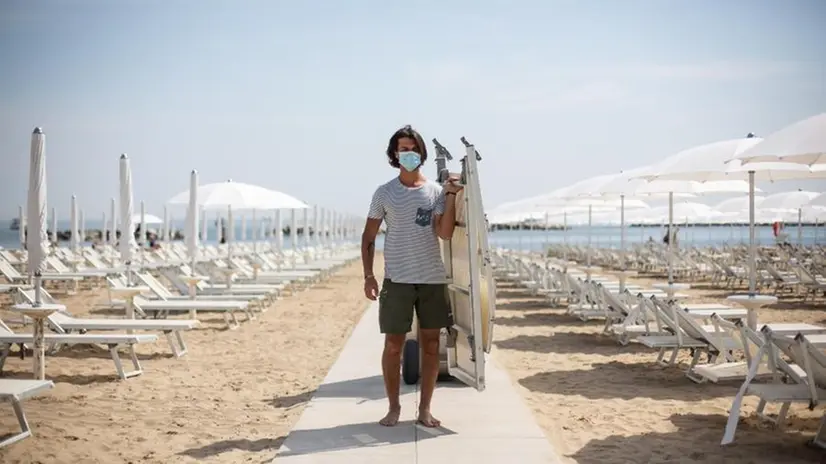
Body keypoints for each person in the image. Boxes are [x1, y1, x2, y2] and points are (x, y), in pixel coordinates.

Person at [361, 125, 463, 428]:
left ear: (422, 153)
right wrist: (368, 275)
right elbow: (368, 237)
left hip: (431, 278)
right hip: (397, 279)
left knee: (431, 346)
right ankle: (393, 407)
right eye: (403, 149)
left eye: (413, 148)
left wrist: (451, 195)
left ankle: (425, 409)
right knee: (394, 346)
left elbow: (444, 234)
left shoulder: (434, 191)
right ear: (395, 154)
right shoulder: (384, 193)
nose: (408, 154)